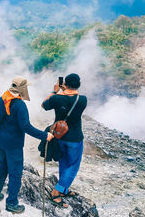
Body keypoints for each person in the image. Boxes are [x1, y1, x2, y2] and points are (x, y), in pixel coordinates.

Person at [0, 76, 54, 214]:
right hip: (14, 144)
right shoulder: (19, 105)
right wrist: (44, 135)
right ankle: (12, 203)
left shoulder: (2, 98)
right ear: (22, 89)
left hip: (1, 141)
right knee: (15, 173)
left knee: (1, 168)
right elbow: (26, 127)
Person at [41, 73, 87, 208]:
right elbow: (71, 98)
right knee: (72, 165)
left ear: (64, 84)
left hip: (59, 136)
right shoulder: (83, 99)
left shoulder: (56, 98)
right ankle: (56, 193)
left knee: (63, 163)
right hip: (75, 138)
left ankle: (63, 189)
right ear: (78, 84)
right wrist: (65, 90)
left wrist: (55, 91)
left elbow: (44, 105)